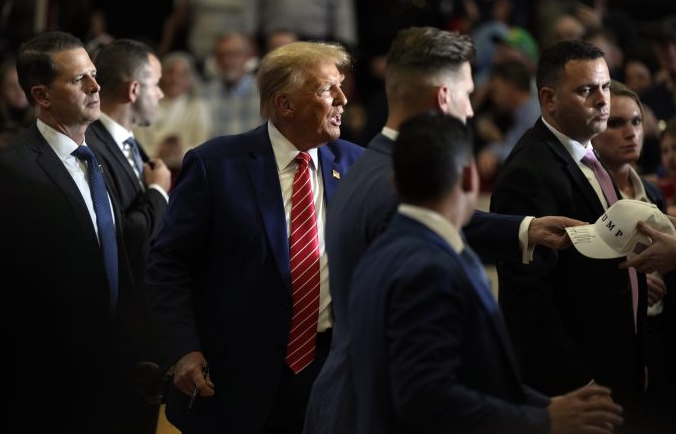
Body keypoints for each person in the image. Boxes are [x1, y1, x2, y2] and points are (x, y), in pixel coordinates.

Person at [304, 26, 584, 434]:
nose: (471, 109)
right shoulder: (392, 188)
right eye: (467, 93)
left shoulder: (372, 167)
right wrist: (541, 417)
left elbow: (442, 230)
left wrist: (525, 230)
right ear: (442, 98)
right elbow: (426, 382)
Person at [349, 110, 623, 434]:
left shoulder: (381, 250)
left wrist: (545, 405)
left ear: (396, 182)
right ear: (469, 178)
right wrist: (543, 420)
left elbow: (472, 376)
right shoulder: (428, 269)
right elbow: (426, 398)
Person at [146, 41, 364, 433]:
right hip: (234, 381)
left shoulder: (356, 164)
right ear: (285, 105)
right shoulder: (216, 165)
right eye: (327, 89)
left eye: (341, 86)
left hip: (329, 374)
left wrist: (513, 230)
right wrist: (182, 347)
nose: (343, 100)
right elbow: (169, 264)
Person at [0, 31, 142, 432]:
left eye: (93, 74)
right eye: (78, 80)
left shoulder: (96, 158)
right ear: (42, 95)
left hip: (111, 373)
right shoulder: (11, 172)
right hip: (50, 389)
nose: (95, 86)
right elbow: (4, 295)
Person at [490, 40, 647, 431]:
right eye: (586, 90)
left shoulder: (590, 154)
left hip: (617, 369)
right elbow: (528, 301)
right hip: (578, 389)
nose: (602, 101)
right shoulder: (529, 172)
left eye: (606, 87)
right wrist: (577, 383)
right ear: (549, 99)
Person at [85, 38, 172, 434]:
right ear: (134, 90)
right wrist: (158, 192)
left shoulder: (127, 140)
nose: (162, 93)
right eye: (155, 84)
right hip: (114, 331)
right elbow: (119, 235)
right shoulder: (93, 146)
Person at [591, 81, 675, 432]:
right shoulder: (586, 192)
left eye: (637, 122)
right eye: (616, 123)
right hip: (609, 344)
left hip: (663, 340)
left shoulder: (652, 192)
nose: (630, 133)